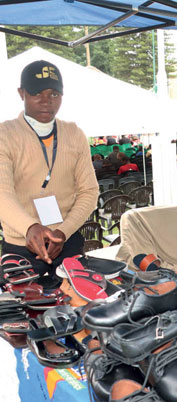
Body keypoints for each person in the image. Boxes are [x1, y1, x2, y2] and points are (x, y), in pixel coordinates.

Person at [0, 60, 98, 287]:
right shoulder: (5, 135)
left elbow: (89, 191)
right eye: (37, 93)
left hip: (66, 241)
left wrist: (63, 231)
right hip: (21, 244)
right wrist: (29, 227)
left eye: (54, 94)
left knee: (81, 300)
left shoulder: (74, 133)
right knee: (23, 305)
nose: (46, 101)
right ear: (21, 93)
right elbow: (2, 193)